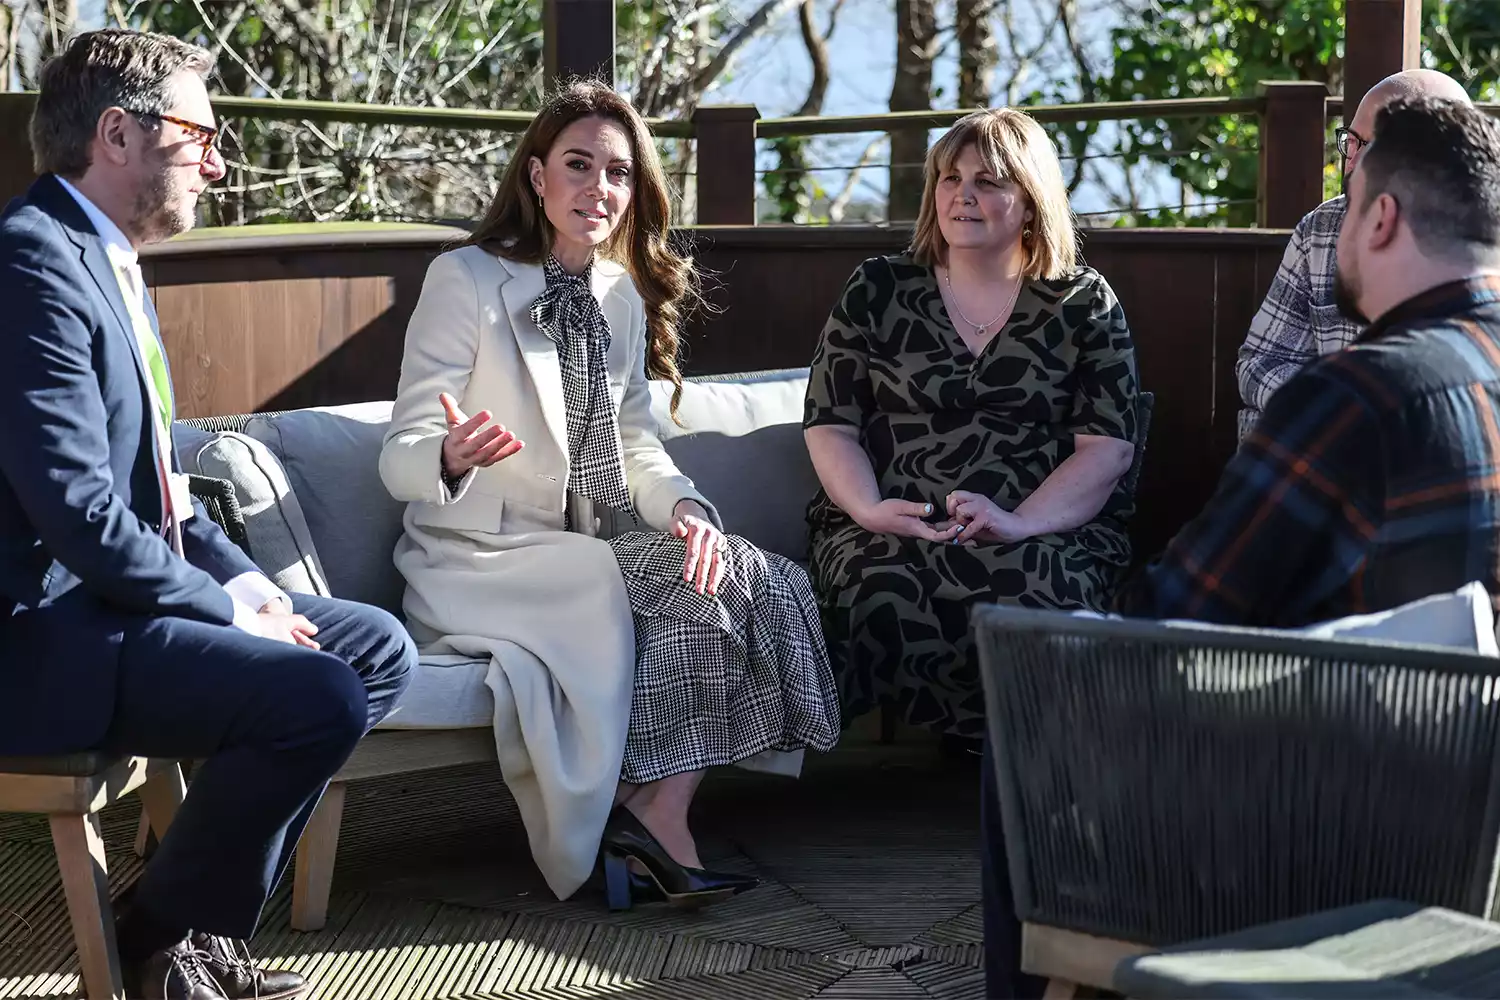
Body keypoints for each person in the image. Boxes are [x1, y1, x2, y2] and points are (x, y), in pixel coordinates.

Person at [0, 29, 415, 1000]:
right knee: (315, 696)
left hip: (111, 608)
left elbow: (162, 490)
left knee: (370, 651)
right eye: (203, 136)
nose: (219, 163)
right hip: (44, 635)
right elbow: (76, 509)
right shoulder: (31, 266)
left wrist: (252, 590)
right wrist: (230, 612)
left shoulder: (106, 261)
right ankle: (159, 939)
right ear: (117, 134)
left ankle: (170, 918)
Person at [378, 79, 840, 911]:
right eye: (578, 165)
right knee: (680, 586)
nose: (600, 188)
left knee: (747, 574)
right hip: (485, 558)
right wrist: (448, 454)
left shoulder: (621, 294)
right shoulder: (465, 280)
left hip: (590, 546)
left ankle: (655, 813)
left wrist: (689, 512)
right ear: (537, 178)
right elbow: (401, 450)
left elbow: (636, 446)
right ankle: (642, 824)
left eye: (619, 172)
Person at [801, 107, 1139, 1000]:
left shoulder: (1082, 302)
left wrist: (1022, 520)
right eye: (950, 179)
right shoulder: (879, 288)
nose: (963, 196)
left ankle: (1039, 816)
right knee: (876, 582)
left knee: (1038, 593)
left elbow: (1104, 449)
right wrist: (874, 510)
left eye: (987, 180)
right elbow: (830, 424)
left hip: (1047, 523)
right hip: (891, 516)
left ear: (1030, 199)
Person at [1116, 95, 1500, 626]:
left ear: (1380, 220)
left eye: (1352, 206)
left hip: (1338, 702)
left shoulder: (1356, 397)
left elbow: (1171, 616)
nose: (1337, 229)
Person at [1235, 68, 1470, 440]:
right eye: (1352, 140)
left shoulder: (1482, 244)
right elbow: (1261, 363)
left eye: (1372, 147)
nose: (1352, 160)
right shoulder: (1322, 229)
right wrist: (1334, 411)